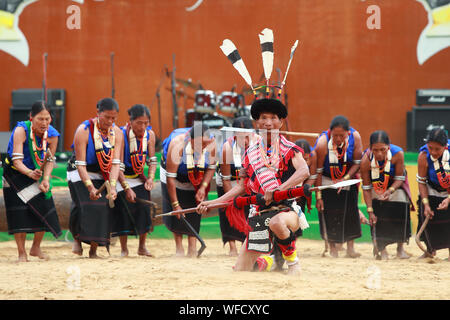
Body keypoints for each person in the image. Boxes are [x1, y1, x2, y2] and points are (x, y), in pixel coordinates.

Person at [197, 98, 310, 275]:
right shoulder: (250, 153)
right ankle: (269, 258)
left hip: (286, 211)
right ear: (257, 122)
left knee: (277, 222)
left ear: (281, 122)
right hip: (259, 215)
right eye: (263, 118)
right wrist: (213, 203)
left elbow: (304, 172)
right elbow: (242, 187)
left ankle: (294, 264)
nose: (268, 122)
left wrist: (279, 190)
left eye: (273, 118)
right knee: (241, 271)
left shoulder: (289, 148)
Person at [2, 101, 61, 262]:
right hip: (15, 173)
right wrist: (29, 173)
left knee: (43, 205)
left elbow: (49, 160)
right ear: (31, 117)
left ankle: (36, 247)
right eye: (40, 119)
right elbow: (17, 161)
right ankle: (22, 253)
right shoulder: (21, 130)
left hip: (37, 172)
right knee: (18, 212)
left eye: (47, 119)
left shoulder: (53, 135)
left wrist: (46, 178)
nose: (44, 123)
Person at [67, 97, 123, 258]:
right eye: (107, 117)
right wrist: (90, 188)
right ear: (98, 113)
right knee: (89, 203)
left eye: (114, 118)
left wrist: (112, 187)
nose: (110, 121)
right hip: (79, 171)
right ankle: (77, 239)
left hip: (103, 172)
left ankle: (93, 250)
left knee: (103, 205)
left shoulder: (117, 133)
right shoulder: (83, 130)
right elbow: (80, 165)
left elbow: (115, 163)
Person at [160, 122, 217, 257]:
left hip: (197, 174)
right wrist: (175, 204)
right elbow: (171, 179)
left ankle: (192, 247)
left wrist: (203, 187)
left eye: (205, 144)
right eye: (201, 144)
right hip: (173, 176)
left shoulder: (211, 143)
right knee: (178, 212)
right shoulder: (177, 145)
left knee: (194, 206)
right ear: (191, 140)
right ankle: (179, 248)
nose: (204, 147)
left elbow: (211, 167)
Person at [314, 115, 363, 258]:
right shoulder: (322, 142)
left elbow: (357, 162)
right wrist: (318, 196)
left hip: (347, 178)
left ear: (348, 133)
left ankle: (350, 248)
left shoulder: (355, 137)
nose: (338, 139)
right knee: (330, 212)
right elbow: (317, 171)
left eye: (342, 135)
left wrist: (345, 178)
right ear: (330, 132)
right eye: (335, 135)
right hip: (326, 179)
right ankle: (333, 249)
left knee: (350, 211)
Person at [112, 104, 157, 257]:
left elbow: (152, 160)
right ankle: (124, 248)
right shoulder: (120, 134)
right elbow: (117, 164)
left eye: (146, 123)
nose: (143, 126)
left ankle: (142, 246)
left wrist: (150, 178)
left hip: (138, 177)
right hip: (119, 177)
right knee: (123, 207)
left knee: (144, 207)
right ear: (130, 122)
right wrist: (126, 188)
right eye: (139, 123)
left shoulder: (150, 135)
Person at [360, 130, 412, 260]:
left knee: (401, 202)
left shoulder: (398, 154)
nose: (379, 153)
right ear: (370, 148)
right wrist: (370, 211)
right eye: (375, 150)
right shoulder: (366, 160)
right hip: (375, 189)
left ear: (388, 147)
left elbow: (400, 178)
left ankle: (400, 249)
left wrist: (389, 191)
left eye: (383, 150)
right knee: (378, 212)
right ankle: (382, 249)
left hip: (395, 186)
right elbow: (366, 188)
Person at [216, 116, 254, 256]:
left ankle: (248, 243)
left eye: (247, 136)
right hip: (228, 181)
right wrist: (231, 200)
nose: (244, 141)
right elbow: (225, 179)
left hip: (248, 183)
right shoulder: (227, 148)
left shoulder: (258, 144)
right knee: (229, 210)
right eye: (240, 136)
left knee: (249, 212)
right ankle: (232, 246)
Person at [416, 128, 450, 259]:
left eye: (437, 149)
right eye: (430, 148)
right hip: (431, 188)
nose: (433, 152)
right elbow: (421, 181)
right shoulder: (423, 155)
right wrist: (426, 204)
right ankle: (430, 250)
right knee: (426, 217)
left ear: (445, 146)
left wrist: (448, 199)